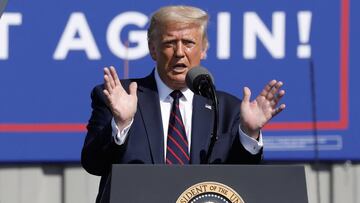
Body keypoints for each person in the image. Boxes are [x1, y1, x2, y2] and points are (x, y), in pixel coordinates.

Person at [81, 5, 285, 202]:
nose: (179, 52)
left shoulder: (227, 109)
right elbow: (93, 164)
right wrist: (121, 125)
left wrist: (249, 135)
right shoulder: (119, 97)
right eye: (170, 43)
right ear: (153, 49)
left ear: (203, 50)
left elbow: (241, 181)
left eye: (188, 42)